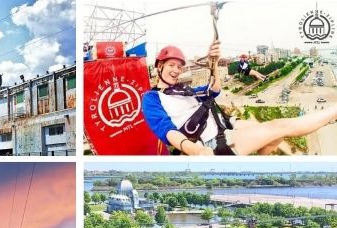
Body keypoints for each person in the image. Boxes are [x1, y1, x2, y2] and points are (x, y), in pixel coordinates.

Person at [142, 41, 337, 155]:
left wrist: (214, 63)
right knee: (281, 125)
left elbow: (214, 90)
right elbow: (166, 130)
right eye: (171, 66)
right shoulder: (152, 98)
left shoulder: (185, 90)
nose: (176, 70)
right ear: (159, 66)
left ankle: (245, 156)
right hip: (210, 143)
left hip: (224, 126)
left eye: (179, 66)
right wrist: (195, 151)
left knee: (276, 137)